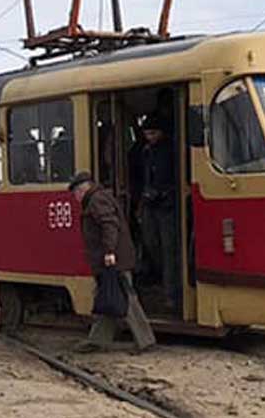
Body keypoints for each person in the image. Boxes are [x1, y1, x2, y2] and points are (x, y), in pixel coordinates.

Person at [68, 171, 156, 351]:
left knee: (127, 300)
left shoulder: (96, 201)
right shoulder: (96, 199)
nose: (75, 198)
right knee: (107, 297)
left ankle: (145, 341)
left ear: (83, 189)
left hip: (114, 260)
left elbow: (109, 225)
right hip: (110, 260)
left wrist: (109, 252)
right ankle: (97, 341)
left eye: (75, 193)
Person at [132, 114, 181, 309]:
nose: (149, 137)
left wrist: (164, 192)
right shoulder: (144, 151)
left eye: (153, 133)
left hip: (168, 205)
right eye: (147, 133)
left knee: (169, 249)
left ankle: (172, 294)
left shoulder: (172, 150)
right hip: (149, 204)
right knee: (151, 243)